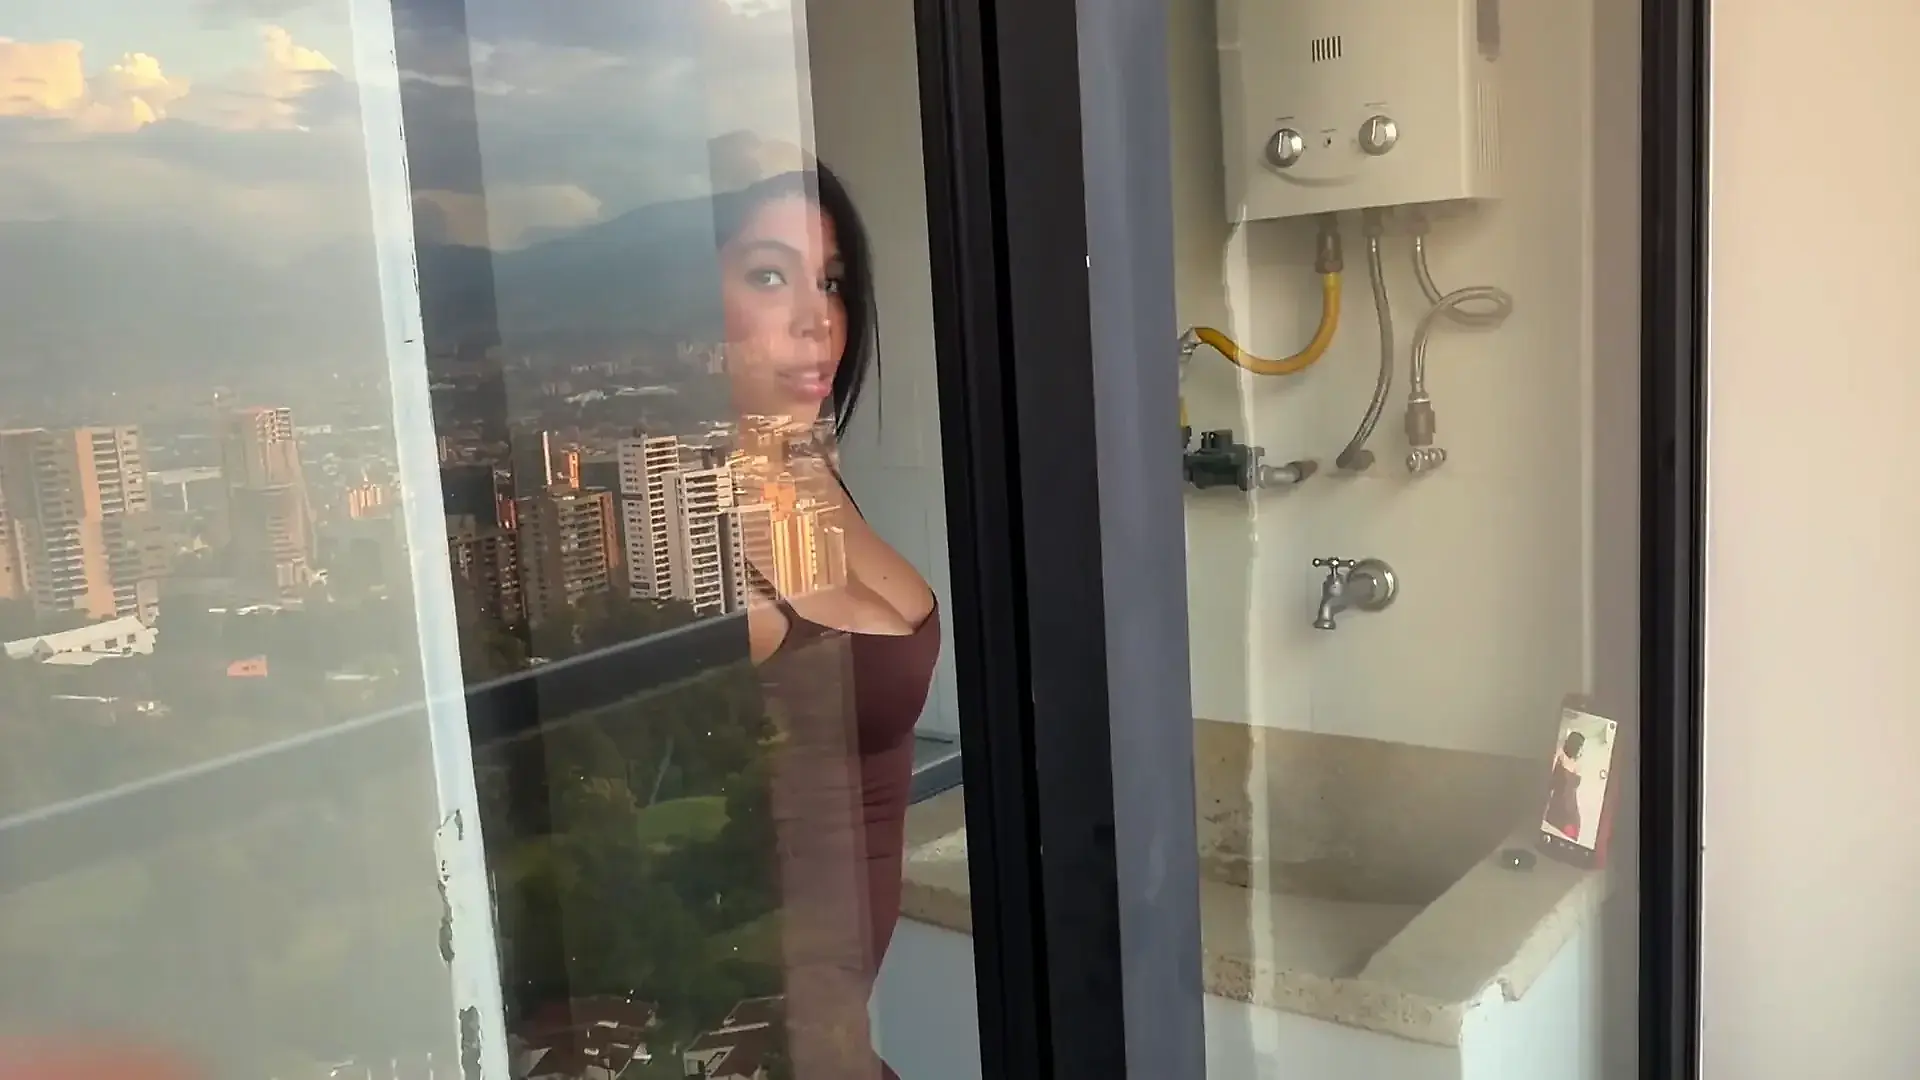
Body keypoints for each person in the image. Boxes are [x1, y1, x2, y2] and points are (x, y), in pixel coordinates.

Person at [712, 139, 940, 1080]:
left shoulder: (807, 472)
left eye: (833, 282)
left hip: (840, 1041)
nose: (819, 320)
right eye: (771, 276)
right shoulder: (686, 530)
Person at [1544, 730, 1585, 841]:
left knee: (1569, 843)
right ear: (1575, 745)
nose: (1582, 750)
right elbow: (1549, 781)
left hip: (1572, 815)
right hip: (1557, 809)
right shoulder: (1559, 757)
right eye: (1581, 746)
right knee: (1551, 839)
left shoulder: (1578, 766)